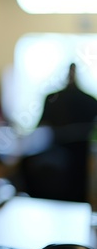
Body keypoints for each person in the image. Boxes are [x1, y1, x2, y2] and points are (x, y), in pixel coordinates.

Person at [21, 63, 97, 202]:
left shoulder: (53, 98)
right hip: (80, 164)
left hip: (61, 158)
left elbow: (40, 127)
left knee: (25, 163)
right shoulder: (90, 100)